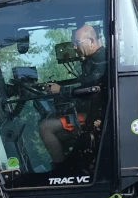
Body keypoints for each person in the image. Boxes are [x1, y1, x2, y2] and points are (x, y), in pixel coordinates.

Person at [38, 24, 107, 166]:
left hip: (95, 116)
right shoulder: (92, 60)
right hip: (88, 112)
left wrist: (61, 90)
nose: (74, 48)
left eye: (77, 43)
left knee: (46, 128)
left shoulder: (101, 61)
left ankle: (61, 169)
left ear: (92, 41)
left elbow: (90, 87)